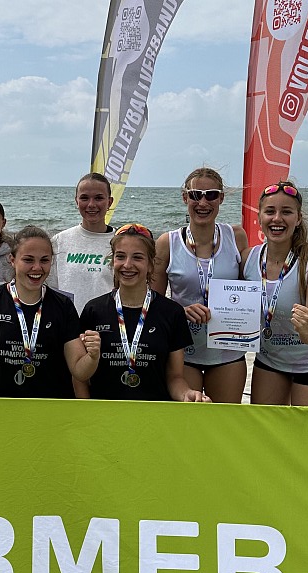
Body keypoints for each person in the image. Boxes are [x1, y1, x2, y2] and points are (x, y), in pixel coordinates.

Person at [77, 224, 209, 401]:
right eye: (120, 256)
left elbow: (175, 377)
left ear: (151, 264)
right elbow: (79, 375)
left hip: (154, 412)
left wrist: (187, 394)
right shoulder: (94, 310)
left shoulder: (172, 313)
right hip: (104, 412)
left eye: (137, 257)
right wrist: (85, 408)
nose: (127, 265)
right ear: (112, 261)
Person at [0, 225, 99, 398]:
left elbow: (79, 371)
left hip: (49, 405)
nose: (37, 267)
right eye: (28, 260)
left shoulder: (63, 306)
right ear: (12, 260)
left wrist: (93, 356)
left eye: (44, 260)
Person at [152, 167, 249, 403]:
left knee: (224, 420)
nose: (203, 202)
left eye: (211, 195)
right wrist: (180, 312)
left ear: (221, 198)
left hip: (227, 351)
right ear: (185, 197)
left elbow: (248, 291)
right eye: (196, 195)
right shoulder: (167, 243)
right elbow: (153, 303)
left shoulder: (236, 236)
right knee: (188, 420)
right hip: (183, 352)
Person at [242, 180, 308, 407]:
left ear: (298, 218)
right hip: (269, 359)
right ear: (259, 217)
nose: (277, 219)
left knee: (305, 429)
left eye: (286, 212)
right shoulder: (248, 258)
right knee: (265, 426)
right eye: (270, 212)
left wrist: (305, 327)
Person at [48, 172, 115, 313]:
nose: (91, 204)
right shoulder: (59, 241)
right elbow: (51, 289)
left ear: (109, 202)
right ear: (76, 201)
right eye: (84, 198)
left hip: (109, 320)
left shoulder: (120, 242)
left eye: (98, 198)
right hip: (68, 322)